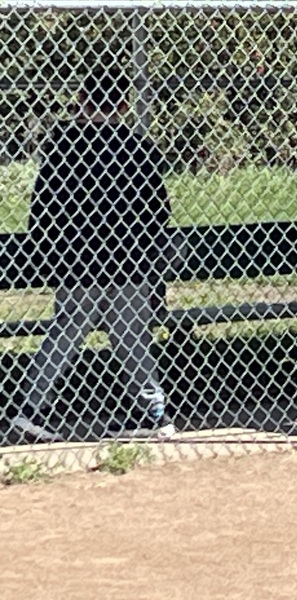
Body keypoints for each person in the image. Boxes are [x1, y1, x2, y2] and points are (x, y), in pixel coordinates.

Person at [12, 67, 175, 442]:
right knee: (130, 335)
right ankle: (155, 411)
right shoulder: (138, 147)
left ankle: (32, 408)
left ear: (82, 100)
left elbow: (43, 207)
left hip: (78, 259)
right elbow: (158, 211)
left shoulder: (63, 144)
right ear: (122, 104)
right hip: (129, 261)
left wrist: (47, 247)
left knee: (67, 330)